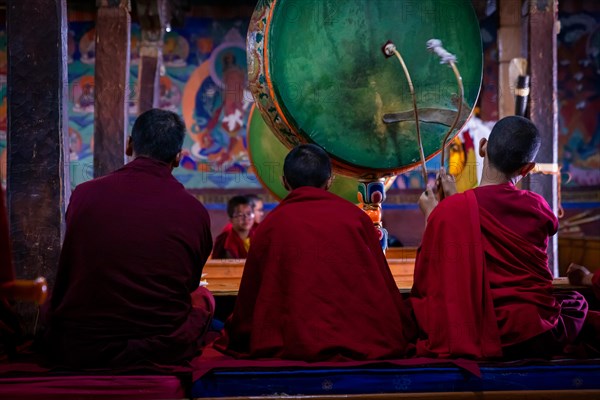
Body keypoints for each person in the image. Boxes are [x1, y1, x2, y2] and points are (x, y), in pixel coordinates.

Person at [412, 115, 595, 359]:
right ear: (527, 169)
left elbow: (430, 280)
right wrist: (450, 206)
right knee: (575, 304)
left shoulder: (450, 213)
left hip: (477, 330)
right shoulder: (537, 207)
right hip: (536, 333)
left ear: (483, 146)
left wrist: (432, 216)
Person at [44, 109, 214, 369]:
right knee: (203, 299)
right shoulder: (195, 212)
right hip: (161, 342)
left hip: (82, 343)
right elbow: (189, 283)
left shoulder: (83, 195)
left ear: (129, 145)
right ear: (179, 158)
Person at [215, 144, 415, 361]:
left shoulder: (270, 226)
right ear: (330, 181)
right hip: (359, 341)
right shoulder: (355, 219)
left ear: (284, 181)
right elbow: (383, 285)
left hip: (290, 346)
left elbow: (249, 301)